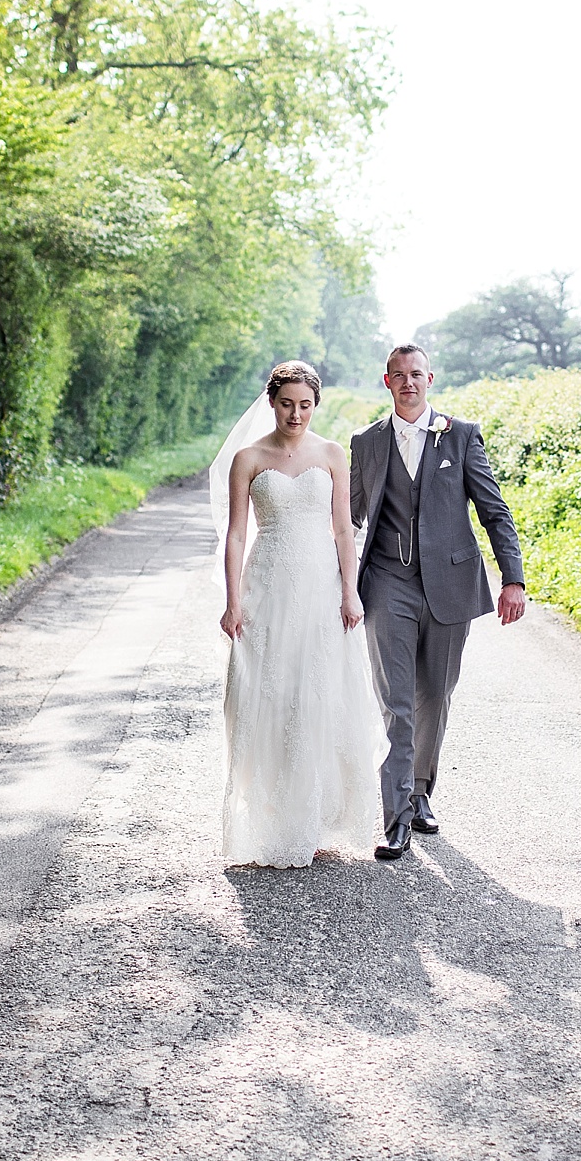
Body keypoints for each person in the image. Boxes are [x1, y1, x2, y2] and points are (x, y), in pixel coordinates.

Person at [348, 344, 526, 860]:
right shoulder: (367, 442)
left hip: (448, 582)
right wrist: (327, 578)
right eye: (399, 376)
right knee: (397, 702)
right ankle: (397, 815)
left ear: (431, 378)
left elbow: (495, 511)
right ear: (387, 382)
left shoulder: (462, 435)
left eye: (417, 374)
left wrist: (512, 579)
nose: (409, 383)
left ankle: (422, 791)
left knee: (435, 695)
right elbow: (350, 517)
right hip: (386, 582)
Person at [213, 360, 388, 867]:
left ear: (316, 405)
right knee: (268, 695)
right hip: (267, 587)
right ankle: (268, 813)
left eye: (305, 405)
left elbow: (342, 532)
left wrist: (350, 593)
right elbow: (237, 535)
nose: (296, 414)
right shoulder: (248, 458)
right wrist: (232, 601)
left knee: (316, 694)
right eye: (287, 403)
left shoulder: (333, 454)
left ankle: (312, 816)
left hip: (319, 587)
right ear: (271, 402)